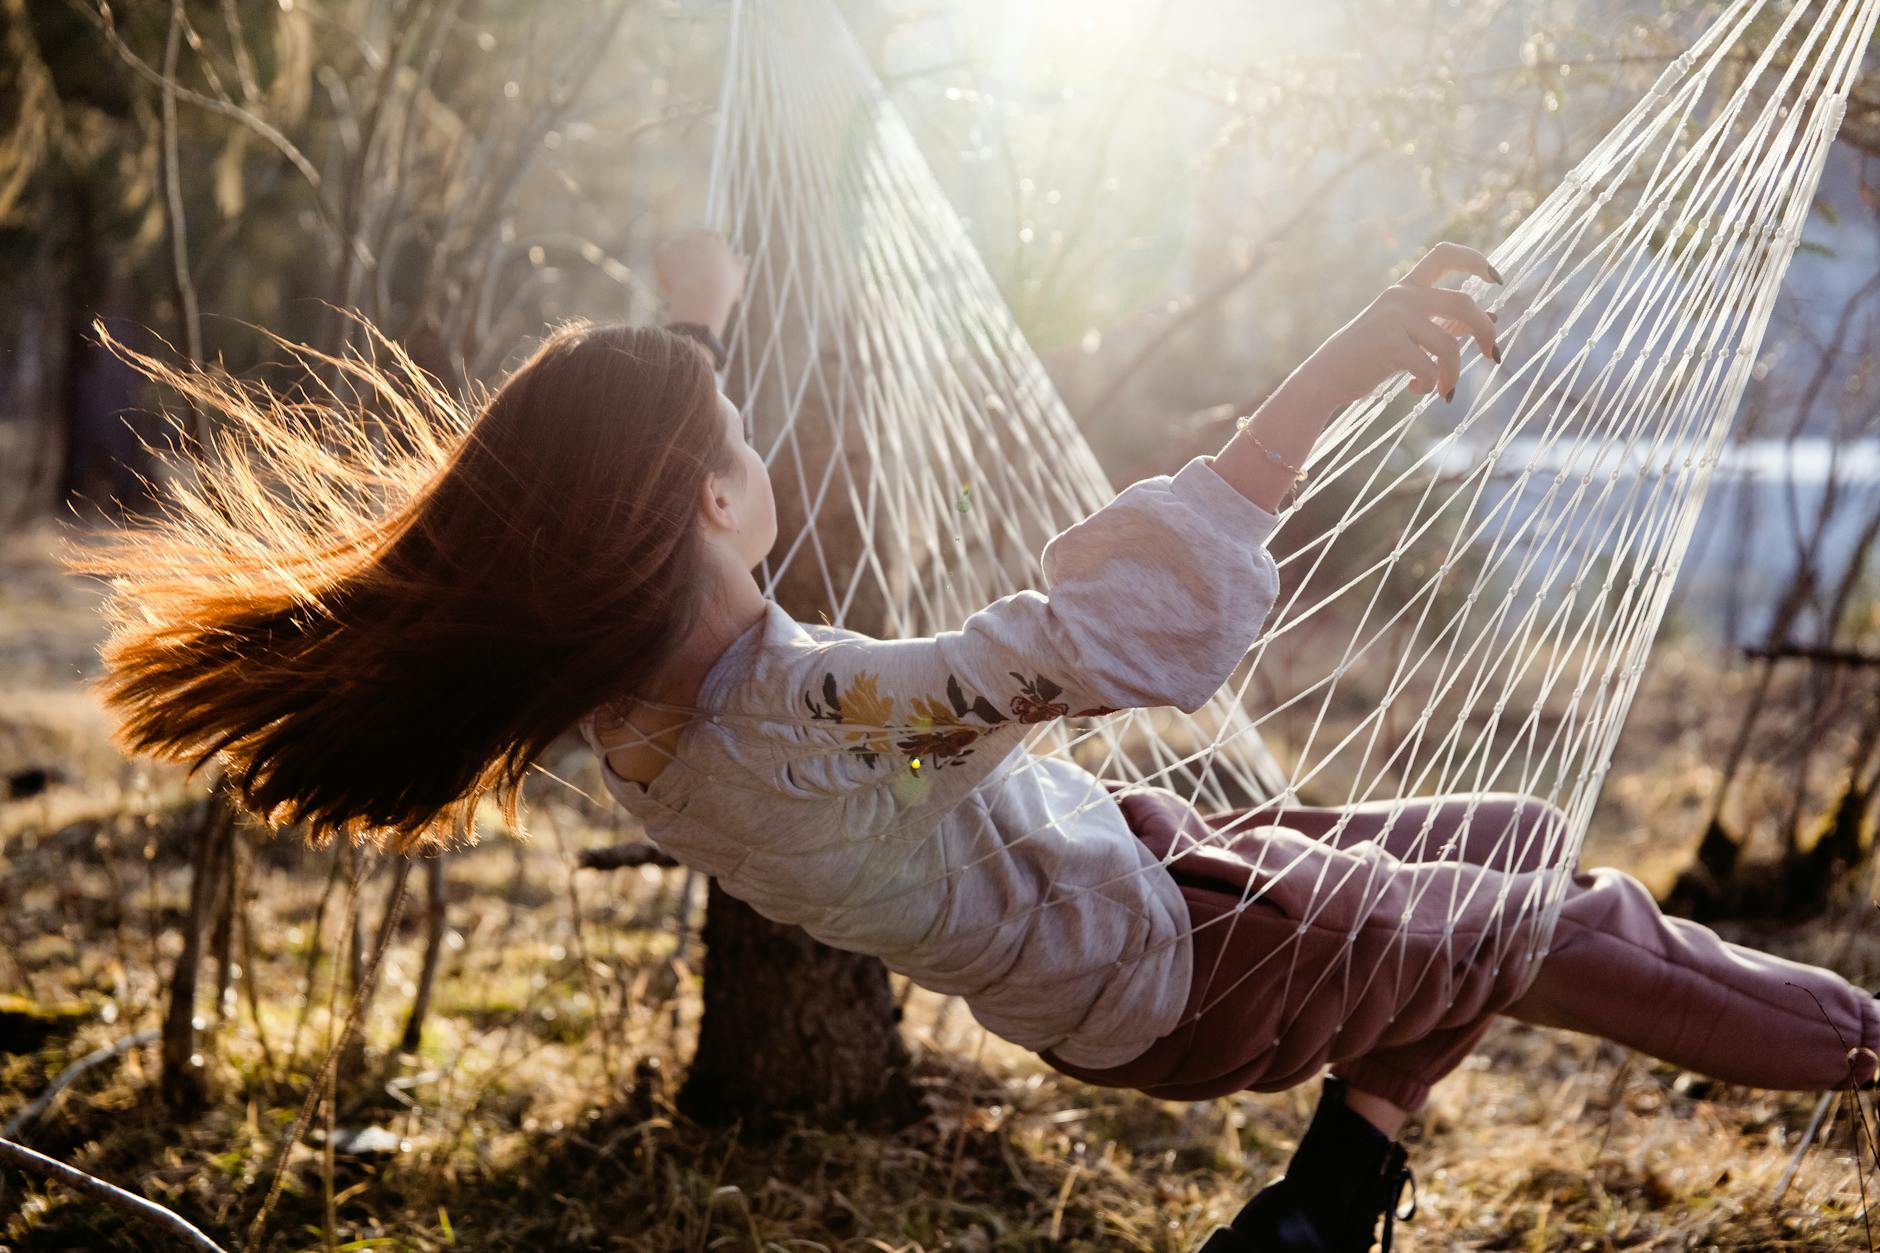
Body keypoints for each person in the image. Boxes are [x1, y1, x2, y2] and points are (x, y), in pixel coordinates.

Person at [80, 229, 1879, 1253]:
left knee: (1495, 832)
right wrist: (1328, 372)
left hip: (1148, 908)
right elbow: (1112, 636)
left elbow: (621, 491)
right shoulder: (826, 718)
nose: (762, 442)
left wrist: (691, 312)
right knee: (1570, 927)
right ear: (705, 502)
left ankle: (1335, 1193)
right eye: (735, 424)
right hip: (1191, 961)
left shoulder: (633, 706)